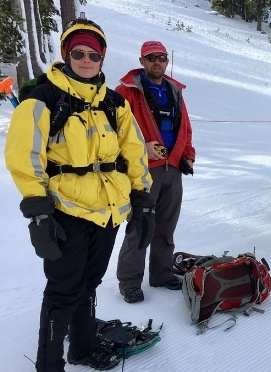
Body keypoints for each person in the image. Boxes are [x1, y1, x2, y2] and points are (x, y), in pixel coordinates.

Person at [5, 16, 153, 371]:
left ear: (102, 58)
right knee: (62, 290)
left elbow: (134, 152)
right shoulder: (41, 99)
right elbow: (24, 158)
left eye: (93, 55)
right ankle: (49, 364)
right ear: (66, 55)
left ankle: (82, 349)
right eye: (78, 53)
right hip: (65, 212)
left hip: (108, 212)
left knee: (89, 282)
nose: (86, 60)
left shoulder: (116, 103)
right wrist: (39, 214)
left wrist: (142, 200)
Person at [115, 40, 196, 303]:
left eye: (161, 57)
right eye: (151, 58)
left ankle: (161, 273)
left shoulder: (174, 91)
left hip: (173, 166)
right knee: (140, 224)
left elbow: (185, 128)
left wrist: (188, 156)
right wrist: (142, 147)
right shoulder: (126, 92)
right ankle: (130, 282)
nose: (157, 62)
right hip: (143, 168)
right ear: (142, 61)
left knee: (166, 224)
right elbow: (115, 132)